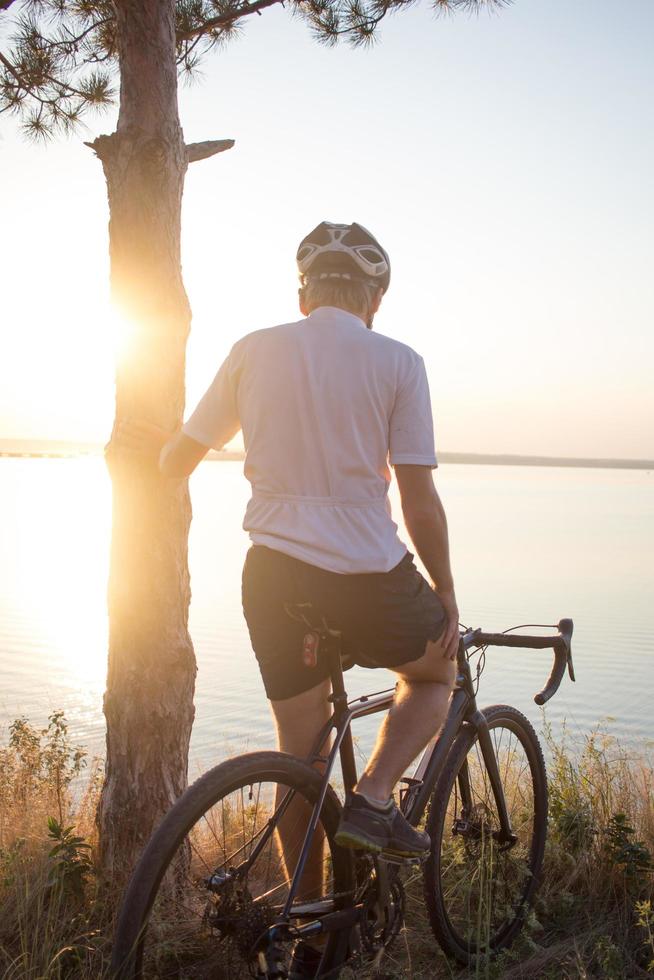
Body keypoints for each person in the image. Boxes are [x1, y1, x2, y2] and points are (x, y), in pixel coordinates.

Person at [115, 221, 458, 974]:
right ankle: (373, 797)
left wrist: (158, 440)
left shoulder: (252, 349)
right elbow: (420, 497)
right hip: (368, 574)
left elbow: (177, 460)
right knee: (435, 675)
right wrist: (447, 598)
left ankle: (301, 934)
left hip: (272, 576)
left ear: (303, 291)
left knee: (298, 757)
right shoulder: (397, 360)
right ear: (375, 296)